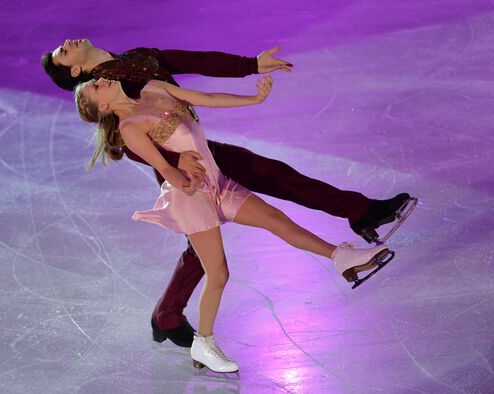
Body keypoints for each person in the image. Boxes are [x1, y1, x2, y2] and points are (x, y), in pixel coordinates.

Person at [41, 39, 412, 348]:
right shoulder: (102, 92)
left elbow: (195, 62)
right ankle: (169, 316)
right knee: (208, 245)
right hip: (186, 169)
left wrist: (249, 64)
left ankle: (359, 211)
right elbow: (128, 138)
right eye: (62, 53)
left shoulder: (134, 58)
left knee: (273, 179)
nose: (67, 45)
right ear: (75, 71)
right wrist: (176, 162)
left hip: (202, 150)